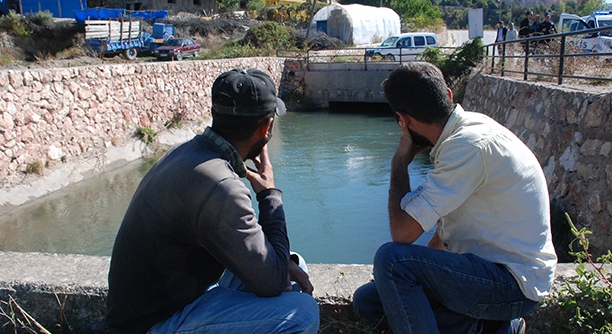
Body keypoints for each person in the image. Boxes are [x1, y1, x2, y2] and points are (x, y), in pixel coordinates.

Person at [106, 68, 320, 334]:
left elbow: (266, 264)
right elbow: (273, 282)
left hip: (164, 304)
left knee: (292, 263)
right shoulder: (221, 186)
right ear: (265, 127)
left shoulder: (186, 153)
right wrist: (269, 195)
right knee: (301, 313)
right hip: (153, 325)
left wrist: (279, 266)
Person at [352, 62, 557, 333]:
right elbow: (445, 227)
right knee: (369, 302)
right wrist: (418, 272)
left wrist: (399, 162)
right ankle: (493, 329)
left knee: (393, 260)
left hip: (512, 283)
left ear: (403, 120)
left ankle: (496, 323)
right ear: (448, 95)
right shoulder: (467, 132)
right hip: (486, 272)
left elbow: (402, 234)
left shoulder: (467, 147)